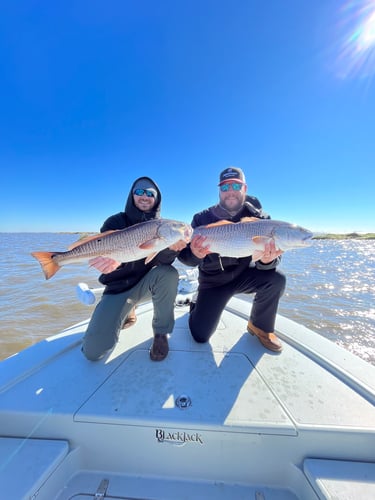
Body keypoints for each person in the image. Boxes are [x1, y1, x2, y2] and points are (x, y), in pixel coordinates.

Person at [178, 167, 286, 352]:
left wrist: (267, 261)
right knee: (200, 336)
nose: (230, 191)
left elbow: (271, 261)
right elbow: (186, 259)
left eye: (236, 185)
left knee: (277, 279)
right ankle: (196, 303)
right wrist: (195, 254)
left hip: (243, 276)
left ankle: (260, 327)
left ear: (245, 188)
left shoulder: (261, 219)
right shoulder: (201, 219)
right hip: (213, 283)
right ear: (219, 191)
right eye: (225, 187)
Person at [82, 176, 187, 362]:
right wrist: (111, 265)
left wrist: (170, 250)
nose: (144, 197)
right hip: (118, 289)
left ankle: (161, 334)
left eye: (150, 193)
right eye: (139, 192)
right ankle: (128, 309)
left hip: (146, 286)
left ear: (157, 199)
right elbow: (104, 254)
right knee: (93, 352)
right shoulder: (114, 222)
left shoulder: (163, 227)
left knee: (169, 274)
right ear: (132, 196)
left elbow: (161, 263)